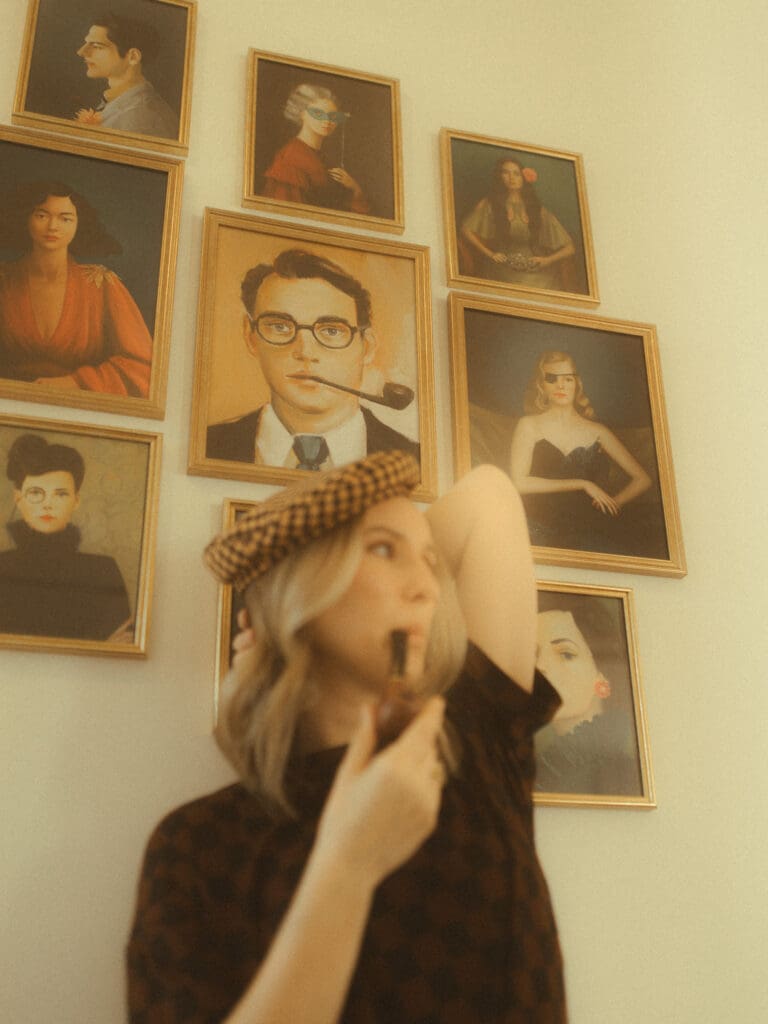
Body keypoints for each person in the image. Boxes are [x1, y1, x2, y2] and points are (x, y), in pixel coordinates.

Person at [127, 451, 567, 1022]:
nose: (428, 589)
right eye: (382, 550)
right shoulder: (197, 846)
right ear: (298, 594)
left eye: (431, 565)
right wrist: (351, 864)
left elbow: (489, 496)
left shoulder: (473, 739)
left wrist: (382, 543)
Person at [206, 248, 419, 470]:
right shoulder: (209, 447)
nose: (305, 352)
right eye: (280, 327)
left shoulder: (416, 462)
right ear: (250, 337)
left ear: (367, 347)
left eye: (331, 331)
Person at [0, 180, 153, 396]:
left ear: (80, 223)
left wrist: (76, 382)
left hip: (79, 406)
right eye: (42, 215)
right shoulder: (4, 280)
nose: (52, 226)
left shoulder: (101, 285)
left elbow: (142, 366)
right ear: (25, 218)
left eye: (65, 218)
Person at [509, 350, 654, 555]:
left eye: (568, 379)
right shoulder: (528, 425)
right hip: (540, 526)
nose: (561, 385)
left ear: (577, 383)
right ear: (541, 385)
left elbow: (642, 479)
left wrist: (612, 503)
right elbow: (519, 483)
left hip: (590, 527)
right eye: (552, 379)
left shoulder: (598, 432)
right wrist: (584, 484)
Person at [0, 434, 132, 641]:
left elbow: (120, 647)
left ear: (76, 501)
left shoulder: (102, 571)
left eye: (60, 494)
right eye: (36, 493)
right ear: (19, 499)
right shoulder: (2, 566)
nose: (47, 504)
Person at [534, 591, 643, 796]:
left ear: (601, 675)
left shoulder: (621, 771)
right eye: (533, 654)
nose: (540, 667)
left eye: (566, 654)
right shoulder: (541, 766)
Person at [460, 156, 576, 291]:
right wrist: (491, 254)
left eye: (516, 173)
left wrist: (547, 261)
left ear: (523, 178)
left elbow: (570, 248)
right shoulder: (490, 205)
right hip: (502, 269)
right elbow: (465, 230)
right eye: (506, 172)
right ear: (500, 177)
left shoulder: (537, 209)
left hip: (536, 270)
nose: (511, 178)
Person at [261, 83, 370, 215]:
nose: (327, 121)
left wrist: (354, 188)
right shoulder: (292, 157)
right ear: (302, 114)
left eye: (333, 116)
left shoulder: (321, 157)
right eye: (318, 114)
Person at [74, 13, 179, 140]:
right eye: (86, 44)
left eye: (97, 46)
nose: (81, 52)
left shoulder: (141, 117)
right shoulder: (119, 102)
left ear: (133, 57)